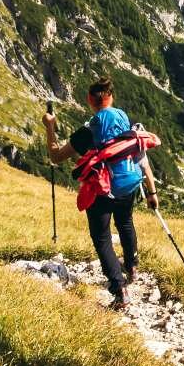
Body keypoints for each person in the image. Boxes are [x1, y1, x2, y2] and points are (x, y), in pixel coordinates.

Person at [45, 76, 158, 310]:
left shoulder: (91, 128)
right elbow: (139, 156)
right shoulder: (123, 118)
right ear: (111, 97)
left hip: (103, 189)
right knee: (125, 222)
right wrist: (151, 190)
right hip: (128, 183)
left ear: (89, 100)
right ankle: (132, 266)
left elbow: (56, 156)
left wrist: (50, 127)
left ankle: (119, 289)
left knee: (102, 237)